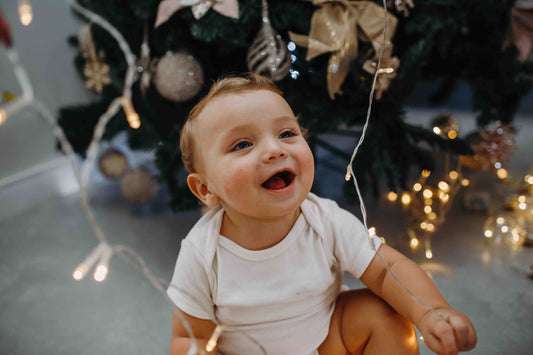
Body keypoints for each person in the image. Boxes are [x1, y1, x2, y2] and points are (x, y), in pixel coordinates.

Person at [167, 73, 477, 355]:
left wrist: (430, 311)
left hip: (327, 342)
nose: (275, 150)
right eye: (243, 144)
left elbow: (385, 270)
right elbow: (188, 338)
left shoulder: (324, 220)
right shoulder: (202, 253)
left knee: (385, 315)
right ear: (205, 190)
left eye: (287, 133)